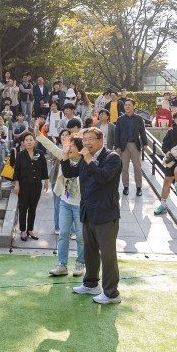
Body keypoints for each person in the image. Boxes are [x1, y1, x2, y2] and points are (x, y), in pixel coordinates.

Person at [60, 127, 123, 304]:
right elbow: (69, 173)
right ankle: (91, 284)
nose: (86, 143)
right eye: (84, 139)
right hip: (87, 212)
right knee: (90, 252)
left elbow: (103, 177)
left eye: (90, 139)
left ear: (101, 140)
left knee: (108, 255)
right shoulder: (85, 158)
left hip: (105, 213)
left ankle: (112, 293)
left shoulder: (112, 158)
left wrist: (88, 160)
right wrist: (65, 156)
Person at [36, 123, 85, 277]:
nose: (68, 149)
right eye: (67, 146)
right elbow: (50, 146)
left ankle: (80, 263)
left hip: (80, 205)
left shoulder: (86, 162)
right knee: (63, 233)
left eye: (71, 147)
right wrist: (38, 134)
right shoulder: (64, 156)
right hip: (65, 202)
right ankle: (62, 264)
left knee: (81, 236)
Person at [14, 132, 49, 241]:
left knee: (33, 208)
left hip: (36, 185)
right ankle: (23, 231)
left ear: (35, 141)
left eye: (31, 140)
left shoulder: (40, 153)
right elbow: (17, 171)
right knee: (23, 208)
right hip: (24, 185)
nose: (29, 142)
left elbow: (44, 168)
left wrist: (46, 181)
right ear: (23, 143)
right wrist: (17, 185)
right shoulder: (20, 155)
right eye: (26, 140)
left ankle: (30, 229)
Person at [114, 98, 147, 197]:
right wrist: (117, 146)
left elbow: (142, 132)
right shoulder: (120, 119)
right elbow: (117, 133)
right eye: (126, 105)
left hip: (135, 144)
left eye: (129, 105)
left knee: (137, 167)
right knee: (124, 167)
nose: (127, 106)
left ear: (133, 106)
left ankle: (139, 188)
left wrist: (145, 143)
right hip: (124, 145)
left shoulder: (138, 118)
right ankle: (126, 187)